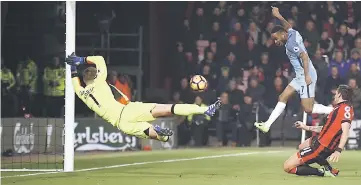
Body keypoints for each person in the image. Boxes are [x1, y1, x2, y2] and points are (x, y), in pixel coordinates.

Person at [65, 53, 221, 142]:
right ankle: (205, 109)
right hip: (129, 109)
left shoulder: (81, 92)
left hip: (122, 123)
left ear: (85, 80)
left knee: (159, 137)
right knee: (168, 108)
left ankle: (159, 133)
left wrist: (72, 70)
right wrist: (80, 60)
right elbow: (99, 59)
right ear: (96, 74)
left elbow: (75, 84)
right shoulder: (100, 80)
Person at [254, 7, 333, 133]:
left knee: (308, 108)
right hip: (300, 75)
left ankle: (333, 111)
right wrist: (278, 15)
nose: (275, 41)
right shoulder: (292, 33)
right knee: (282, 97)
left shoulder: (291, 44)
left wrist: (307, 76)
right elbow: (288, 25)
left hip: (306, 75)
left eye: (276, 38)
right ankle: (267, 125)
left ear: (283, 34)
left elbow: (305, 57)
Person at [284, 85, 354, 177]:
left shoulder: (345, 109)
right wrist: (306, 127)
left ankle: (321, 172)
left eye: (336, 93)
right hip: (319, 140)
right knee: (302, 146)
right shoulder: (338, 108)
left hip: (322, 147)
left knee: (287, 167)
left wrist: (338, 150)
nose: (334, 95)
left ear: (340, 95)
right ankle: (328, 169)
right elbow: (325, 128)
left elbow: (345, 132)